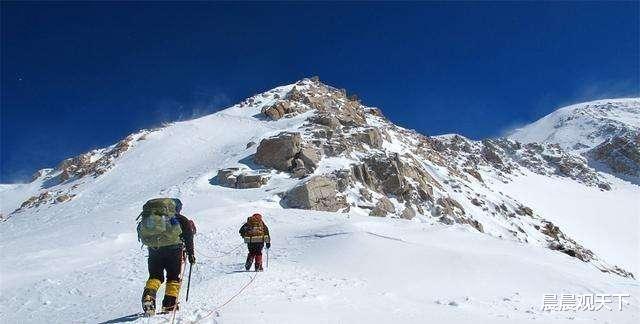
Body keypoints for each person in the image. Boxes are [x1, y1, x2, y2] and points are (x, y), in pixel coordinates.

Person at [137, 198, 196, 316]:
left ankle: (149, 296)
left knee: (155, 276)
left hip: (154, 250)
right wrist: (191, 254)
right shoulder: (181, 219)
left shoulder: (153, 218)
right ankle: (169, 305)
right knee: (173, 277)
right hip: (174, 251)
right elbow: (189, 237)